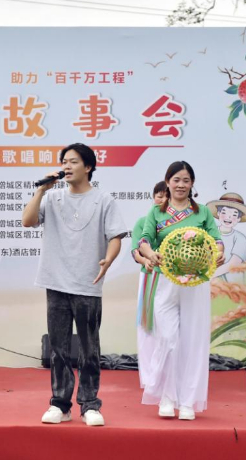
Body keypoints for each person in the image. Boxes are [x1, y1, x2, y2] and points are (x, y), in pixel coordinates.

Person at [21, 143, 127, 427]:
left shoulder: (103, 200)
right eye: (64, 162)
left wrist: (108, 259)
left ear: (88, 167)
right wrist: (41, 190)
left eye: (73, 162)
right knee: (59, 348)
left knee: (89, 348)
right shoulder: (52, 197)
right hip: (55, 281)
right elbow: (27, 221)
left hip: (87, 283)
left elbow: (116, 237)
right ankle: (60, 404)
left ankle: (90, 404)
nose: (67, 167)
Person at [137, 161, 225, 420]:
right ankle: (167, 397)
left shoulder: (202, 212)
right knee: (167, 339)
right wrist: (150, 253)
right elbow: (144, 240)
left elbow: (217, 240)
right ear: (168, 182)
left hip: (196, 282)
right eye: (176, 180)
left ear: (192, 184)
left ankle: (188, 401)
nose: (181, 185)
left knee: (193, 341)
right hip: (165, 281)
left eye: (186, 180)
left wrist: (219, 253)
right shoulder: (156, 212)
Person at [132, 181, 168, 390]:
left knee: (167, 327)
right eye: (159, 195)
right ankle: (148, 377)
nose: (162, 200)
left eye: (166, 196)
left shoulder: (177, 223)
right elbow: (136, 250)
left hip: (173, 279)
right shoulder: (143, 222)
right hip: (149, 277)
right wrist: (146, 260)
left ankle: (166, 376)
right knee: (147, 327)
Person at [206, 192, 246, 282]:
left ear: (239, 218)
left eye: (234, 214)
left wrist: (208, 276)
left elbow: (234, 263)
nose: (228, 217)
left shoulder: (240, 238)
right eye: (224, 212)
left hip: (230, 283)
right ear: (218, 213)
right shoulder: (209, 233)